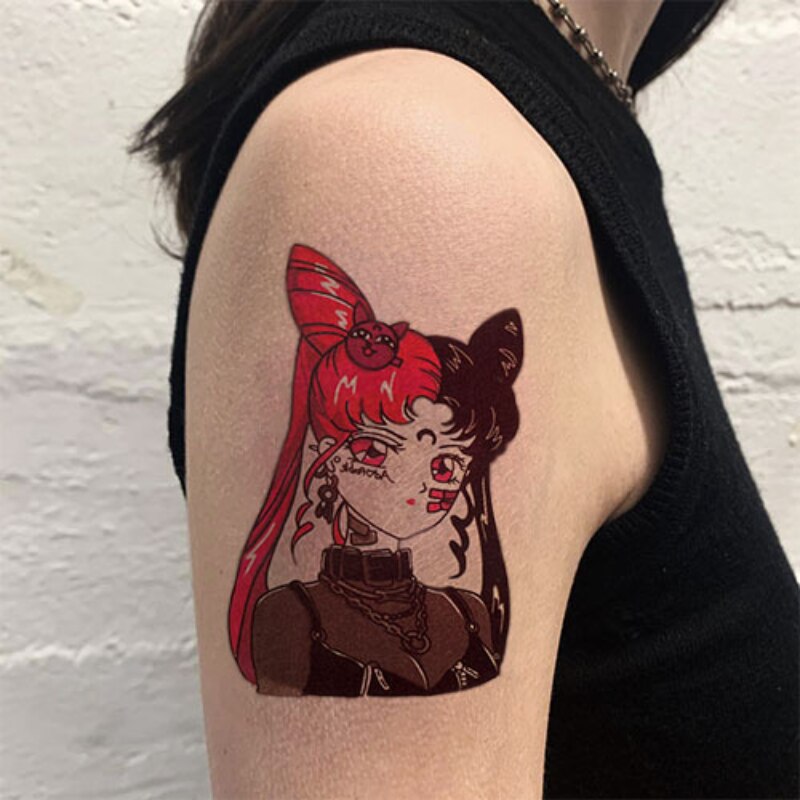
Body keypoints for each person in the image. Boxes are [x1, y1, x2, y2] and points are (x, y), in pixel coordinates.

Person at [131, 1, 799, 797]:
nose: (434, 477)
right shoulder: (409, 154)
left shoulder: (460, 619)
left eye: (452, 456)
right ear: (329, 463)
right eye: (379, 444)